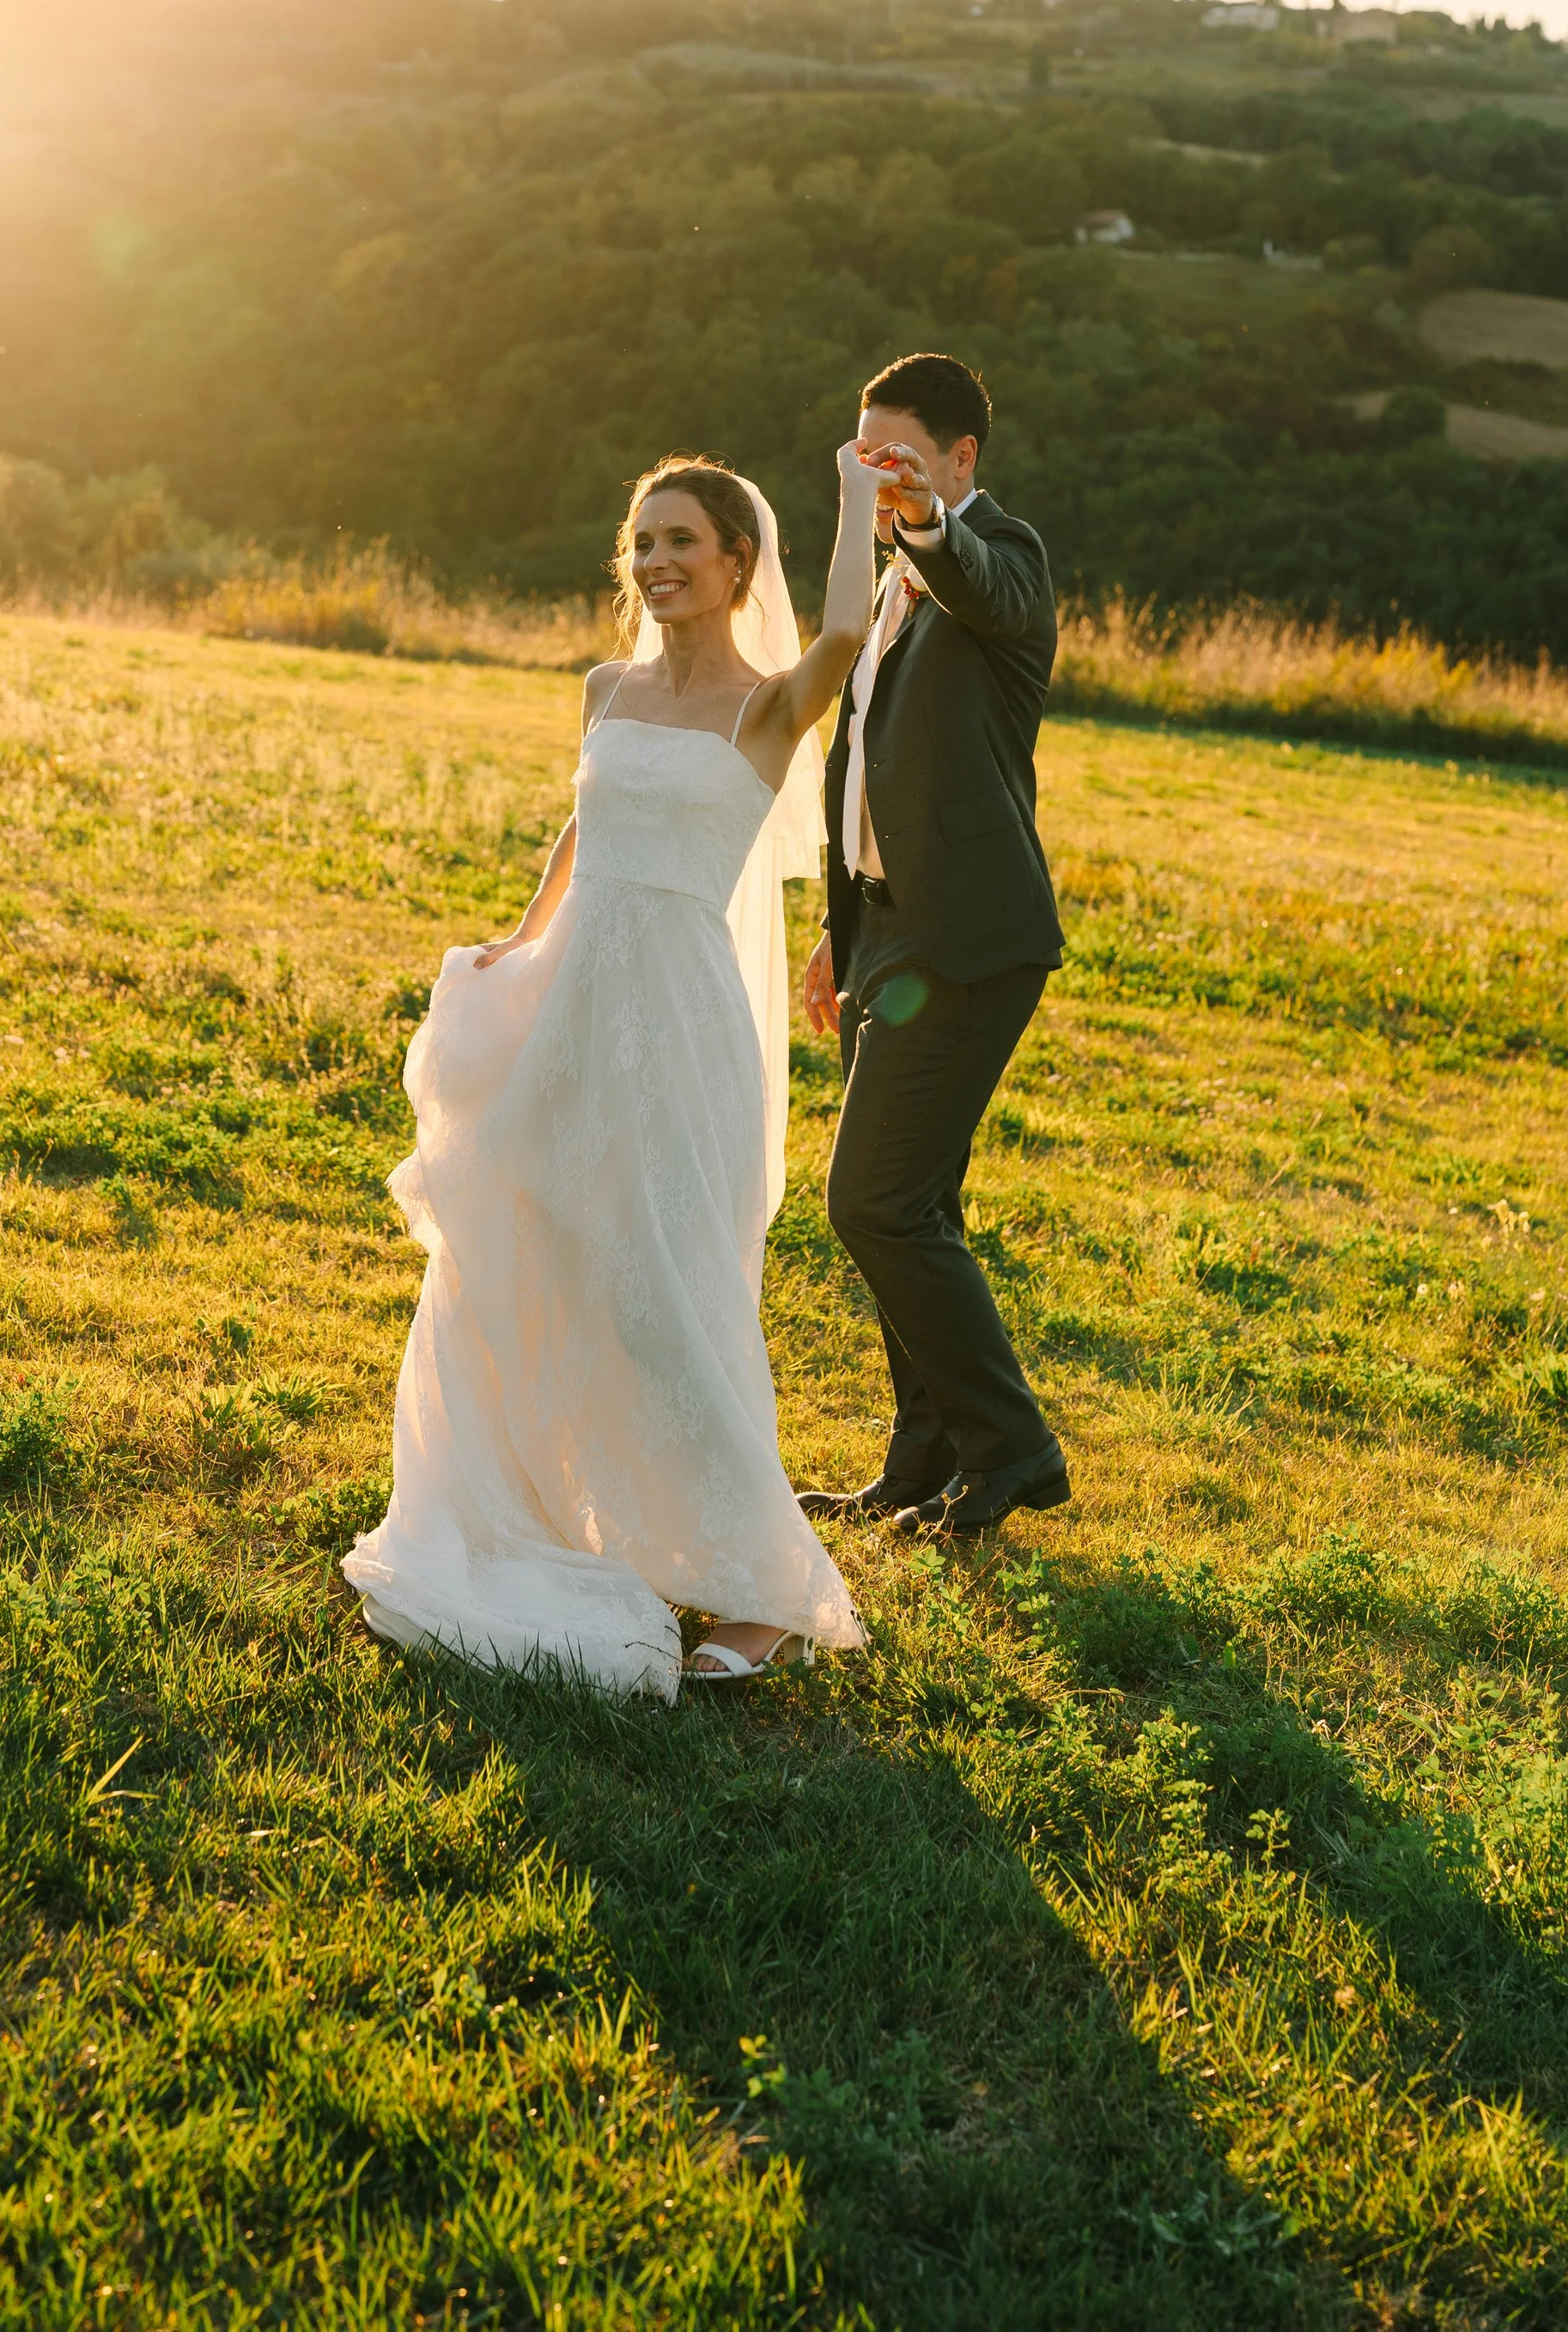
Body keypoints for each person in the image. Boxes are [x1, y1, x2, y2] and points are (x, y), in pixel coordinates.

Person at [344, 442, 879, 1699]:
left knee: (675, 1284)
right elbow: (588, 820)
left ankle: (765, 1590)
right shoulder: (605, 688)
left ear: (738, 562)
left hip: (683, 1019)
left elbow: (850, 630)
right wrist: (520, 938)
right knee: (544, 1246)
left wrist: (856, 492)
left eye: (683, 541)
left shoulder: (764, 705)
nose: (656, 562)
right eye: (642, 542)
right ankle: (566, 1509)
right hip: (581, 999)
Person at [796, 352, 1072, 1542]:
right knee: (919, 1205)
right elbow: (856, 761)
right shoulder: (881, 586)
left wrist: (919, 518)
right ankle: (919, 1461)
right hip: (884, 932)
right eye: (868, 455)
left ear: (961, 459)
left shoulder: (1001, 557)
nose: (883, 474)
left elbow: (986, 589)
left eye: (903, 454)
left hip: (967, 939)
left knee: (871, 1202)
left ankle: (1012, 1447)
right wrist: (836, 933)